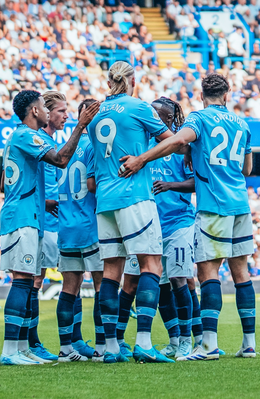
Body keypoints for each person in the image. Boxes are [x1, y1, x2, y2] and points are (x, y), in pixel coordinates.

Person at [119, 72, 256, 360]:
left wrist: (143, 158)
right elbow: (247, 169)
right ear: (227, 96)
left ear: (201, 95)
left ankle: (207, 344)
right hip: (240, 204)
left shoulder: (199, 118)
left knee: (208, 274)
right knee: (241, 274)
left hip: (214, 205)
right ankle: (249, 344)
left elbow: (178, 140)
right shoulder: (242, 124)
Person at [0, 90, 98, 366]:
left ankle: (23, 347)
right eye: (43, 106)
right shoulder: (25, 135)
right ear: (34, 111)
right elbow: (61, 159)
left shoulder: (31, 137)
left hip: (32, 217)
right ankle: (10, 350)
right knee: (22, 280)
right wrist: (80, 126)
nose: (45, 110)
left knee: (29, 281)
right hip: (22, 218)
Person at [88, 61, 174, 364]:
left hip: (105, 201)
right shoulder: (138, 107)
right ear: (132, 79)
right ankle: (144, 343)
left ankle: (111, 347)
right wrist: (142, 158)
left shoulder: (96, 113)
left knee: (111, 272)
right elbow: (172, 142)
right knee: (152, 266)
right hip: (135, 196)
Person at [122, 97, 197, 360]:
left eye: (158, 115)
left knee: (180, 280)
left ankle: (188, 341)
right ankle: (175, 339)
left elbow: (197, 183)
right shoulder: (142, 147)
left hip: (179, 223)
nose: (152, 117)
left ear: (168, 119)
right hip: (151, 225)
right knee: (162, 284)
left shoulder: (181, 148)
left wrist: (170, 185)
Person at [56, 97, 104, 362]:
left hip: (66, 226)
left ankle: (66, 349)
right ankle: (100, 347)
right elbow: (93, 185)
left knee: (69, 289)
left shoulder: (64, 148)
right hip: (90, 225)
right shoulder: (92, 147)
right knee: (101, 286)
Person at [25, 90, 69, 362]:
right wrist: (48, 202)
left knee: (42, 279)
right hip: (43, 220)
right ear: (46, 113)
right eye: (61, 111)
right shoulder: (39, 141)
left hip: (55, 220)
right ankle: (31, 341)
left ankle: (35, 341)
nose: (66, 115)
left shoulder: (50, 140)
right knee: (34, 280)